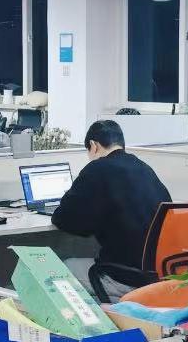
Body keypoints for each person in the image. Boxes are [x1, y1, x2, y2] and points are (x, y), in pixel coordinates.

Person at [51, 119, 170, 296]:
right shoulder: (144, 168)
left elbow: (64, 219)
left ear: (94, 146)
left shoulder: (97, 168)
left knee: (59, 268)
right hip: (156, 275)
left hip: (124, 277)